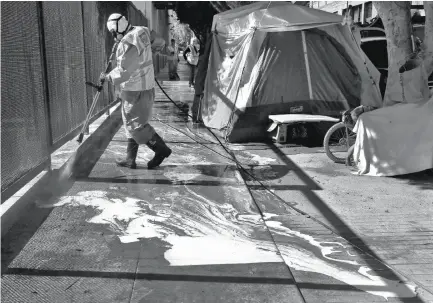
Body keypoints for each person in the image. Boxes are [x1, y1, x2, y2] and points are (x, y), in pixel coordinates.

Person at [100, 13, 172, 169]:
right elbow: (159, 42)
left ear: (115, 30)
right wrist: (154, 51)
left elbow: (124, 72)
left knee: (136, 127)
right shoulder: (143, 30)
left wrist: (107, 77)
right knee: (130, 124)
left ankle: (161, 149)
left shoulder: (127, 43)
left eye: (113, 33)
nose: (113, 35)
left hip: (135, 90)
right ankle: (130, 159)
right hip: (145, 88)